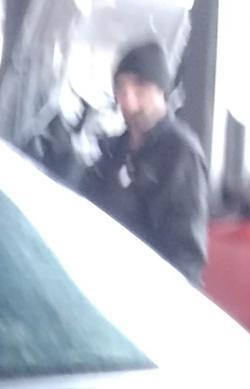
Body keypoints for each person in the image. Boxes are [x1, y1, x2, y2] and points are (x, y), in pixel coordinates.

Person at [79, 41, 209, 286]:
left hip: (147, 291)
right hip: (102, 282)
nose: (129, 102)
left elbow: (186, 255)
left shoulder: (180, 153)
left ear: (161, 89)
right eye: (121, 89)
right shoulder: (114, 151)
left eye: (139, 88)